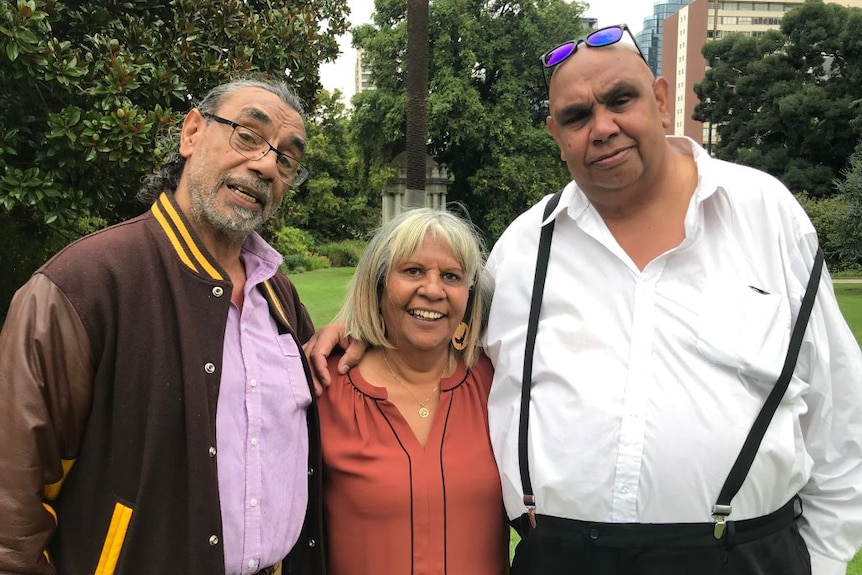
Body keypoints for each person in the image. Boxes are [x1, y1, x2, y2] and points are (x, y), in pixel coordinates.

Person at [308, 24, 862, 575]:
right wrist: (358, 324)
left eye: (621, 99)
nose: (602, 128)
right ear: (556, 133)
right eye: (577, 116)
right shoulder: (525, 248)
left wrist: (826, 560)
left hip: (741, 555)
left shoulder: (765, 214)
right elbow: (437, 318)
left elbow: (840, 414)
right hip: (560, 556)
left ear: (662, 98)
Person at [0, 78, 325, 575]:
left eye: (286, 158)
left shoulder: (278, 295)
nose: (265, 164)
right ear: (192, 132)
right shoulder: (85, 285)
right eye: (247, 135)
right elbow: (11, 508)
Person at [317, 207, 507, 575]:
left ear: (468, 297)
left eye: (451, 276)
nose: (433, 290)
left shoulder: (495, 383)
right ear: (379, 282)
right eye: (413, 271)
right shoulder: (326, 386)